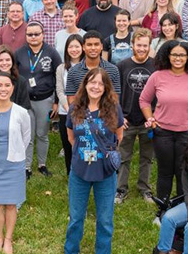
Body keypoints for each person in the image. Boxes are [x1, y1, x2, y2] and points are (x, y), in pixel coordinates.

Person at [61, 68, 124, 254]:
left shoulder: (113, 108)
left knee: (105, 218)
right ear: (85, 85)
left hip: (105, 172)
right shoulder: (75, 108)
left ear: (106, 87)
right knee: (76, 215)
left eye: (100, 83)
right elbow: (71, 137)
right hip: (79, 171)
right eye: (92, 82)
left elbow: (119, 136)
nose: (96, 87)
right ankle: (70, 251)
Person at [140, 41, 188, 202]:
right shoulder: (157, 76)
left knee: (183, 172)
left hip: (187, 134)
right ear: (168, 55)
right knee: (164, 172)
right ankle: (162, 209)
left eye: (182, 55)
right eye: (174, 54)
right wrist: (150, 119)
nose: (177, 58)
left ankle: (180, 208)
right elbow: (144, 100)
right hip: (162, 132)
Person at [0, 71, 31, 254]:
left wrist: (16, 153)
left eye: (7, 85)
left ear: (12, 88)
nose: (3, 89)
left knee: (11, 204)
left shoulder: (21, 112)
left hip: (14, 164)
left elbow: (26, 137)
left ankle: (8, 239)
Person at [15, 21, 62, 179]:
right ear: (26, 35)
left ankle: (42, 164)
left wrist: (56, 101)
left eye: (37, 34)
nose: (33, 37)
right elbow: (13, 77)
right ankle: (26, 167)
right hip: (25, 101)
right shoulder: (19, 53)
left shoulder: (52, 53)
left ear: (43, 34)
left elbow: (59, 77)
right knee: (27, 135)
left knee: (42, 133)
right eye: (30, 34)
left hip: (45, 100)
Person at [116, 29, 155, 203]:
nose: (141, 49)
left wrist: (154, 117)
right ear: (132, 45)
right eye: (138, 45)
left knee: (147, 157)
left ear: (149, 46)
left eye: (144, 45)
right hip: (127, 119)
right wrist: (119, 116)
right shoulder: (122, 65)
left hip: (148, 120)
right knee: (123, 157)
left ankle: (144, 188)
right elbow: (114, 94)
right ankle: (120, 189)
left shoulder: (156, 66)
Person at [55, 34, 84, 174]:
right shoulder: (61, 68)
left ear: (82, 48)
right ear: (66, 49)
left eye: (77, 46)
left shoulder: (87, 66)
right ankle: (71, 173)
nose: (74, 49)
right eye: (71, 46)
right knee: (68, 144)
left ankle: (85, 172)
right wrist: (69, 108)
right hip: (65, 112)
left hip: (86, 112)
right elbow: (60, 90)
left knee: (84, 143)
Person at [65, 31, 121, 99]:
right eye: (89, 45)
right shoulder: (73, 71)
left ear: (101, 46)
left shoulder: (113, 70)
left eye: (96, 44)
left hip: (106, 109)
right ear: (83, 47)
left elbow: (115, 99)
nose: (93, 48)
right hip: (81, 109)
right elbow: (71, 101)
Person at [0, 46, 32, 110]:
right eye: (0, 60)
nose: (4, 63)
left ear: (12, 61)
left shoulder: (21, 81)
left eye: (7, 60)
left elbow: (25, 107)